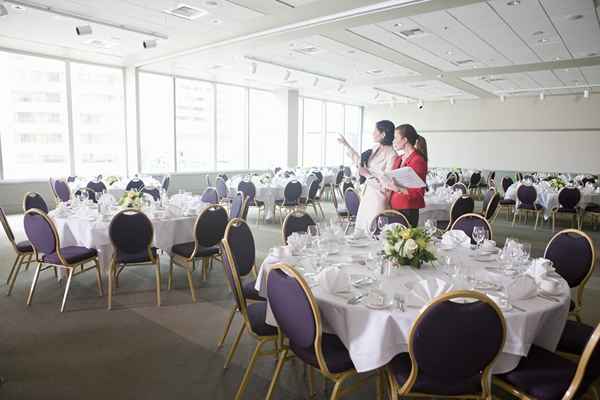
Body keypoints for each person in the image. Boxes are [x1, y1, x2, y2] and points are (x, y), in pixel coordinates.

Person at [338, 120, 397, 231]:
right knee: (362, 228)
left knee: (374, 229)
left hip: (379, 197)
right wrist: (346, 145)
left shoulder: (392, 155)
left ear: (383, 134)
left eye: (375, 131)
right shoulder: (375, 148)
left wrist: (368, 175)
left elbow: (388, 183)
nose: (373, 133)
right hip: (367, 193)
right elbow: (360, 160)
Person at [386, 124, 428, 227]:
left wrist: (398, 188)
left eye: (395, 138)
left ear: (405, 140)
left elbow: (418, 193)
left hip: (408, 209)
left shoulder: (417, 160)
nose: (393, 141)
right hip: (394, 207)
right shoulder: (398, 158)